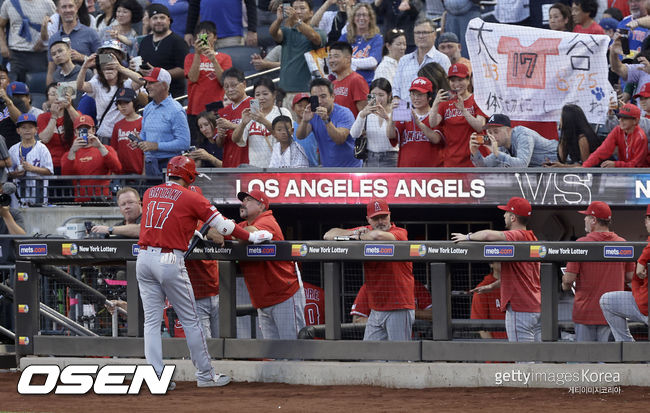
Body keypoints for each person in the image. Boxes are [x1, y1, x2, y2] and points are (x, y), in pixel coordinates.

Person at [137, 155, 271, 387]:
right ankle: (205, 375)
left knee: (150, 322)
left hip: (143, 259)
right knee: (191, 321)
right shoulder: (191, 196)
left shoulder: (150, 192)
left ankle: (157, 377)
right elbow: (226, 226)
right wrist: (251, 236)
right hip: (169, 260)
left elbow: (172, 219)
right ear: (188, 175)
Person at [451, 197, 541, 343]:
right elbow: (520, 276)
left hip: (521, 307)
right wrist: (492, 286)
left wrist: (467, 237)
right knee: (536, 358)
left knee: (524, 359)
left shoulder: (519, 235)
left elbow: (488, 235)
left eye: (506, 213)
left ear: (513, 218)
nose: (503, 215)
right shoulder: (532, 237)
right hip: (534, 307)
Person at [324, 198, 415, 341]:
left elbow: (377, 236)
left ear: (390, 215)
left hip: (399, 306)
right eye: (375, 218)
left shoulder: (399, 232)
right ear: (368, 219)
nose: (380, 222)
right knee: (369, 355)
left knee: (399, 356)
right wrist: (354, 234)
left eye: (383, 217)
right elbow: (328, 235)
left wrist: (361, 236)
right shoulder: (364, 231)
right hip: (376, 308)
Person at [231, 189, 306, 339]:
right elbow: (218, 232)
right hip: (263, 301)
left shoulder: (267, 220)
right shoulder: (244, 224)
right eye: (242, 200)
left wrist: (230, 229)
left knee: (293, 352)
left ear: (261, 206)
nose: (243, 203)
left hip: (285, 296)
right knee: (272, 354)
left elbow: (247, 235)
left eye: (248, 200)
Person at [561, 201, 634, 342]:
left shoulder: (581, 243)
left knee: (586, 360)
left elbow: (568, 279)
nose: (584, 219)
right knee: (607, 361)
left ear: (594, 220)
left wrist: (564, 285)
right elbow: (630, 277)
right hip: (613, 312)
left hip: (586, 313)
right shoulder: (622, 243)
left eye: (587, 216)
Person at [77, 40, 145, 143]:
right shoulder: (97, 83)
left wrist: (119, 67)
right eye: (104, 59)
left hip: (124, 135)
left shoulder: (127, 83)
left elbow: (141, 81)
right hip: (105, 136)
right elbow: (80, 86)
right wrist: (85, 67)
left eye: (113, 58)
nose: (109, 65)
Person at [600, 205, 650, 341]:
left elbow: (638, 270)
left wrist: (641, 263)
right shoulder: (647, 244)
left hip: (645, 306)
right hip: (642, 305)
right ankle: (627, 347)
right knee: (607, 301)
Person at [184, 20, 232, 146]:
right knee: (197, 146)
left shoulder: (225, 57)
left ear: (215, 37)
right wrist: (197, 54)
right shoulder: (190, 57)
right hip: (195, 110)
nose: (203, 39)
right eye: (200, 36)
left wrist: (213, 60)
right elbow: (193, 78)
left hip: (216, 111)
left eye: (207, 35)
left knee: (218, 145)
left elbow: (224, 82)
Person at [429, 63, 486, 167]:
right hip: (452, 160)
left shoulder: (477, 100)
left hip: (474, 160)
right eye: (453, 80)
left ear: (468, 80)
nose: (456, 84)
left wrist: (463, 110)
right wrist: (435, 104)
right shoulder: (445, 103)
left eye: (460, 80)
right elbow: (432, 123)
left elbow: (480, 126)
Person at [270, 0, 326, 105]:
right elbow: (273, 33)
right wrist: (278, 20)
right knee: (285, 121)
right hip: (285, 92)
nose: (298, 11)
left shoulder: (319, 32)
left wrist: (297, 21)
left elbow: (314, 37)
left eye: (302, 8)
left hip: (308, 91)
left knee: (308, 120)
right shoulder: (287, 32)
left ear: (311, 13)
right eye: (295, 8)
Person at [137, 67, 190, 177]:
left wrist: (156, 146)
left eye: (151, 83)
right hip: (150, 163)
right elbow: (145, 136)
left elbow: (184, 143)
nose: (147, 86)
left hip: (170, 165)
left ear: (164, 85)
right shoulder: (147, 108)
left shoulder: (176, 110)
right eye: (147, 83)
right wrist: (138, 140)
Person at [296, 77, 360, 167]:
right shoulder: (313, 114)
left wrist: (326, 120)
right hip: (328, 168)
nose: (319, 101)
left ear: (332, 97)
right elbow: (300, 136)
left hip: (350, 168)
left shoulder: (344, 113)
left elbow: (339, 139)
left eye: (323, 96)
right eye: (315, 97)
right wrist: (304, 121)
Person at [231, 77, 293, 167]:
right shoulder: (250, 115)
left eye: (265, 94)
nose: (261, 98)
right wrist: (243, 124)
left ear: (274, 94)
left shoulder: (283, 112)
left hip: (278, 168)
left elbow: (286, 137)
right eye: (258, 94)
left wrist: (263, 120)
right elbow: (235, 139)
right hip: (255, 169)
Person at [61, 114, 122, 202]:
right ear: (75, 132)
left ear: (93, 130)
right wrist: (73, 151)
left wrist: (100, 147)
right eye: (80, 129)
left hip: (103, 200)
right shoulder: (69, 154)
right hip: (80, 201)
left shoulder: (106, 149)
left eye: (87, 128)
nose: (84, 132)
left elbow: (117, 169)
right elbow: (66, 176)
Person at [386, 76, 443, 167]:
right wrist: (392, 117)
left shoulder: (436, 115)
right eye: (413, 94)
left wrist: (419, 123)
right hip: (406, 172)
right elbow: (391, 135)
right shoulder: (404, 112)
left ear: (430, 97)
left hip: (431, 173)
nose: (415, 98)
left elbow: (436, 139)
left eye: (420, 95)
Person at [392, 18, 450, 104]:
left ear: (434, 35)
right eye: (418, 33)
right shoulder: (404, 60)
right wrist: (398, 108)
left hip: (431, 111)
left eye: (425, 32)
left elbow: (445, 90)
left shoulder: (442, 59)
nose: (421, 36)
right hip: (404, 111)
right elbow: (396, 88)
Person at [137, 4, 189, 98]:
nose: (158, 21)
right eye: (155, 18)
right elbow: (141, 63)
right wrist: (135, 67)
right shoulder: (145, 41)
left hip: (171, 95)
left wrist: (158, 74)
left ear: (169, 20)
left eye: (162, 17)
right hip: (148, 93)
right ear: (149, 21)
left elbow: (184, 70)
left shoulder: (178, 41)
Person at [37, 82, 78, 199]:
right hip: (51, 166)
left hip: (71, 164)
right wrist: (54, 116)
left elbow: (82, 125)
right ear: (47, 98)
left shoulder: (72, 113)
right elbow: (45, 138)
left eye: (59, 93)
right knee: (52, 201)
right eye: (52, 94)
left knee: (71, 201)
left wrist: (69, 106)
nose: (56, 97)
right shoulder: (42, 117)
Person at [46, 0, 102, 87]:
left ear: (76, 8)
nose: (68, 10)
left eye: (70, 6)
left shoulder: (90, 33)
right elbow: (51, 70)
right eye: (64, 7)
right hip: (62, 85)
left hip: (86, 84)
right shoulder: (54, 38)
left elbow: (105, 59)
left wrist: (83, 57)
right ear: (58, 11)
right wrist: (49, 94)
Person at [470, 114, 559, 167]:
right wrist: (475, 152)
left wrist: (497, 153)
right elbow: (485, 166)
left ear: (508, 130)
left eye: (496, 131)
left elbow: (522, 165)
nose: (492, 136)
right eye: (489, 132)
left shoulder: (522, 134)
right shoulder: (502, 146)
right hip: (549, 169)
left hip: (565, 159)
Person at [0, 0, 56, 82]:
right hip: (17, 54)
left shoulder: (48, 3)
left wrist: (45, 41)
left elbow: (56, 26)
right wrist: (2, 45)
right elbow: (1, 25)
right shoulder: (9, 3)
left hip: (40, 55)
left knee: (38, 89)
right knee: (16, 89)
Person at [7, 113, 53, 205]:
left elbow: (49, 171)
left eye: (30, 127)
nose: (27, 130)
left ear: (36, 130)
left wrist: (32, 168)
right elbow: (8, 172)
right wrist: (15, 173)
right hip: (19, 193)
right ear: (18, 130)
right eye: (23, 127)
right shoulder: (13, 149)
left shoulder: (42, 148)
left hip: (38, 193)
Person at [351, 77, 398, 167]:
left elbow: (396, 136)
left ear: (389, 95)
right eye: (373, 95)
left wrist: (389, 118)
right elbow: (354, 134)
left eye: (381, 95)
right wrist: (362, 115)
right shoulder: (366, 113)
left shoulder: (395, 112)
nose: (377, 99)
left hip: (392, 158)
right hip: (370, 158)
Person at [582, 103, 647, 167]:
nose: (621, 120)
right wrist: (584, 166)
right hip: (624, 171)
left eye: (625, 118)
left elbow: (637, 165)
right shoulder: (617, 130)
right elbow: (601, 151)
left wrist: (616, 164)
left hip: (641, 174)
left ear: (635, 121)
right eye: (620, 117)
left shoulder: (641, 137)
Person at [350, 280, 432, 324]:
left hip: (413, 340)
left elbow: (433, 315)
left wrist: (407, 312)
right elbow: (357, 320)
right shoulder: (369, 286)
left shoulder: (415, 285)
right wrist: (384, 319)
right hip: (381, 343)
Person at [340, 3, 382, 86]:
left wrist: (349, 63)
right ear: (353, 18)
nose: (361, 18)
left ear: (370, 18)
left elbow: (372, 62)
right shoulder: (345, 37)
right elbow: (338, 59)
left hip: (368, 84)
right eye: (358, 15)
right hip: (346, 83)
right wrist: (362, 65)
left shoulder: (377, 38)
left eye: (365, 15)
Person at [216, 68, 251, 167]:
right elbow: (219, 144)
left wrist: (231, 125)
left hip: (248, 164)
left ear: (244, 84)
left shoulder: (254, 104)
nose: (230, 90)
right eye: (226, 87)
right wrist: (220, 135)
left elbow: (256, 133)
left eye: (233, 85)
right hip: (228, 164)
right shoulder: (223, 111)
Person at [185, 0, 257, 48]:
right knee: (205, 68)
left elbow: (251, 5)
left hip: (232, 34)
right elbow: (193, 7)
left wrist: (252, 30)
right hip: (204, 35)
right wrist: (189, 31)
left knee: (229, 69)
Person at [328, 41, 368, 118]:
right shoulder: (332, 84)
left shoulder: (357, 80)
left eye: (336, 56)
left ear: (348, 59)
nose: (332, 60)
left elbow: (365, 113)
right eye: (330, 57)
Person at [110, 87, 143, 174]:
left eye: (127, 102)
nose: (123, 106)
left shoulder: (143, 122)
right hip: (122, 174)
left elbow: (147, 151)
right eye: (120, 103)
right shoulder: (118, 125)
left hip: (139, 171)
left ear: (134, 102)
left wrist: (144, 173)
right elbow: (114, 150)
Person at [49, 40, 93, 104]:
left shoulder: (86, 72)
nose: (57, 55)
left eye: (60, 51)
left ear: (70, 51)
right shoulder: (56, 76)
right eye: (53, 54)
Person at [469, 265, 507, 339]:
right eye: (499, 259)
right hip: (499, 345)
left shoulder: (520, 284)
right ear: (491, 264)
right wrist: (494, 348)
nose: (504, 262)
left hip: (520, 342)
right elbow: (481, 327)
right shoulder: (482, 289)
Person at [289, 92, 319, 166]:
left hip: (313, 168)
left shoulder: (314, 126)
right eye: (300, 106)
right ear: (293, 108)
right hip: (294, 168)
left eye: (306, 106)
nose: (303, 109)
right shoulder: (291, 127)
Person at [0, 65, 23, 149]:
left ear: (8, 81)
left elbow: (19, 121)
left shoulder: (17, 101)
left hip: (12, 148)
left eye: (2, 78)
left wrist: (6, 99)